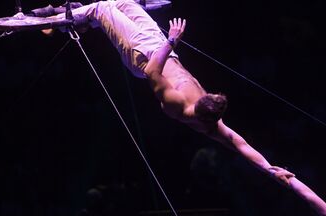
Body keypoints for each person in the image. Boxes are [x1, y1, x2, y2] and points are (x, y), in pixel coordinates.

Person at [41, 0, 290, 183]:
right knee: (124, 4)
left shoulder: (178, 107)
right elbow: (241, 144)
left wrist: (171, 40)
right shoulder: (210, 115)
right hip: (161, 48)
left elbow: (151, 71)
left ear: (200, 112)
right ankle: (81, 20)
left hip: (143, 56)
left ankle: (55, 21)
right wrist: (268, 168)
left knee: (103, 8)